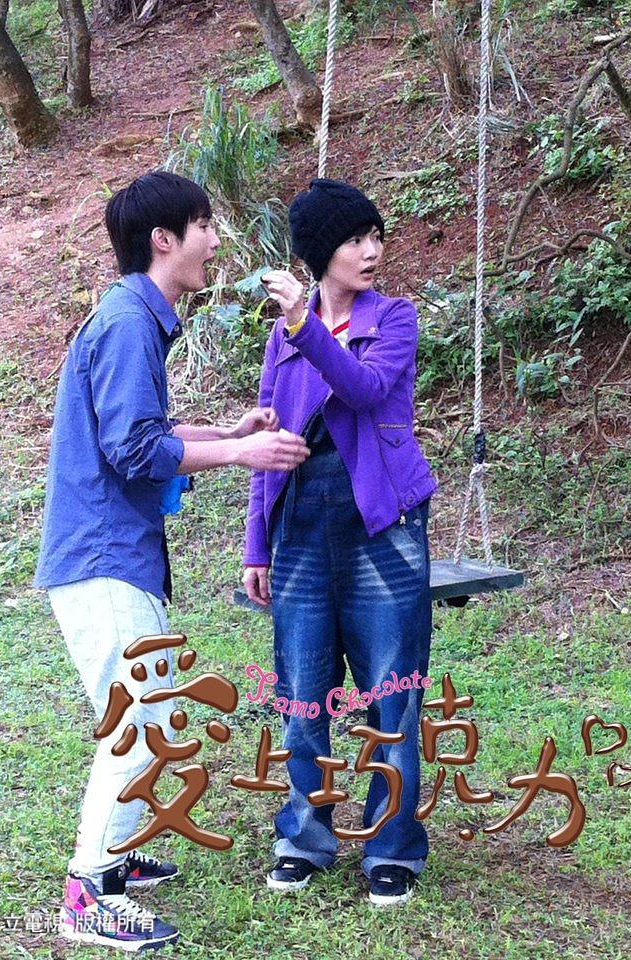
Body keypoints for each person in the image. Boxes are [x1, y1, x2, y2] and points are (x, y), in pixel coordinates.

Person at [34, 170, 309, 953]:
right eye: (204, 226)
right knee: (138, 724)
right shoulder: (128, 322)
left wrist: (224, 433)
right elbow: (131, 450)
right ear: (164, 239)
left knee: (144, 717)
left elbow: (140, 430)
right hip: (102, 557)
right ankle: (88, 894)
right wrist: (241, 455)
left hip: (114, 555)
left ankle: (115, 857)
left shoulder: (133, 317)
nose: (215, 241)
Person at [242, 178, 437, 906]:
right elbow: (268, 443)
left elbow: (362, 389)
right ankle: (304, 837)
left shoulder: (393, 318)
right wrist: (256, 544)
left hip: (381, 522)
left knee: (392, 689)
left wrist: (304, 323)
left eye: (375, 236)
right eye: (355, 239)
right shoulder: (283, 337)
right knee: (300, 690)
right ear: (321, 251)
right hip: (300, 522)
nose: (371, 250)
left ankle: (392, 845)